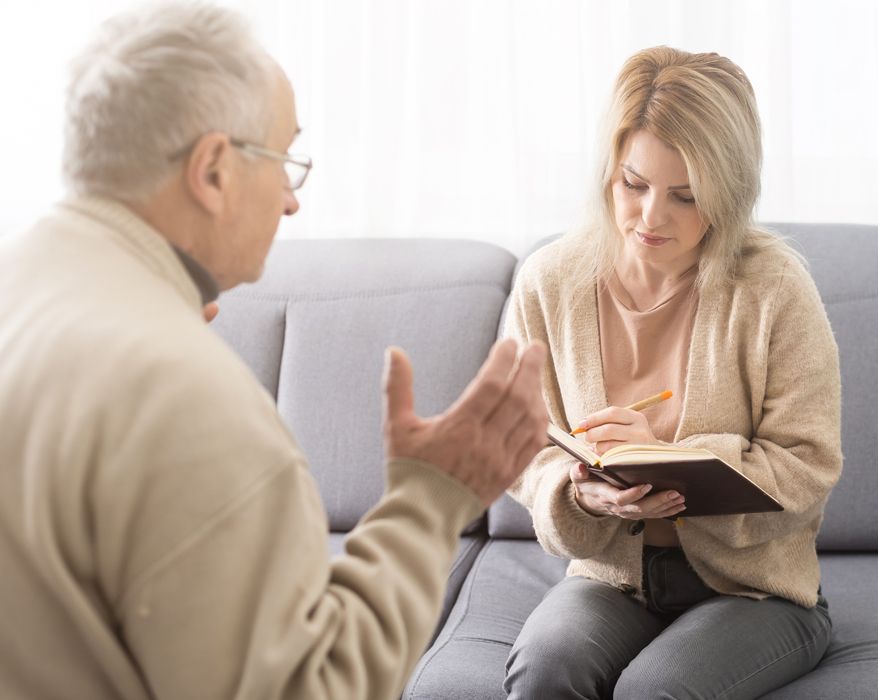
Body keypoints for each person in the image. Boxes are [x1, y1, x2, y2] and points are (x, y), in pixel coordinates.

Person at [0, 3, 548, 699]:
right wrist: (430, 500)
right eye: (285, 161)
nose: (291, 203)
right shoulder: (187, 399)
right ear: (213, 171)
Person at [502, 46, 842, 699]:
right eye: (634, 184)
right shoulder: (549, 282)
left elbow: (808, 467)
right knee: (546, 671)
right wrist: (577, 495)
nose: (651, 217)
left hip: (756, 591)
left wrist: (674, 458)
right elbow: (521, 446)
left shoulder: (776, 290)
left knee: (654, 690)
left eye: (685, 196)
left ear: (728, 192)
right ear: (609, 172)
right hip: (612, 580)